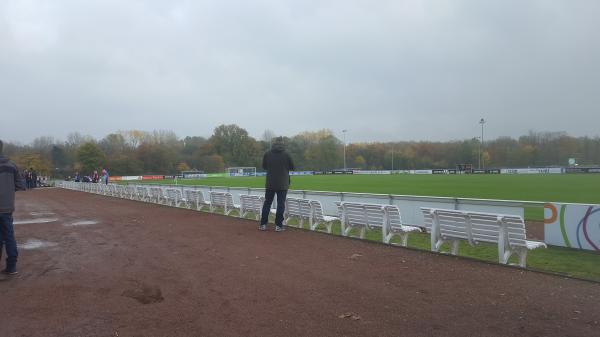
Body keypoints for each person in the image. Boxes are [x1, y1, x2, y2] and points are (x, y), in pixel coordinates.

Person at [0, 140, 25, 275]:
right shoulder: (12, 165)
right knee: (9, 236)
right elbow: (20, 185)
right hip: (7, 207)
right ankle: (12, 266)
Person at [259, 137, 295, 232]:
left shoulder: (267, 153)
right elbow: (293, 167)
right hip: (282, 184)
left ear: (274, 143)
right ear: (282, 143)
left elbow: (264, 166)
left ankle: (263, 224)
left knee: (267, 203)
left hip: (270, 183)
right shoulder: (286, 154)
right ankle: (278, 225)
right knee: (280, 204)